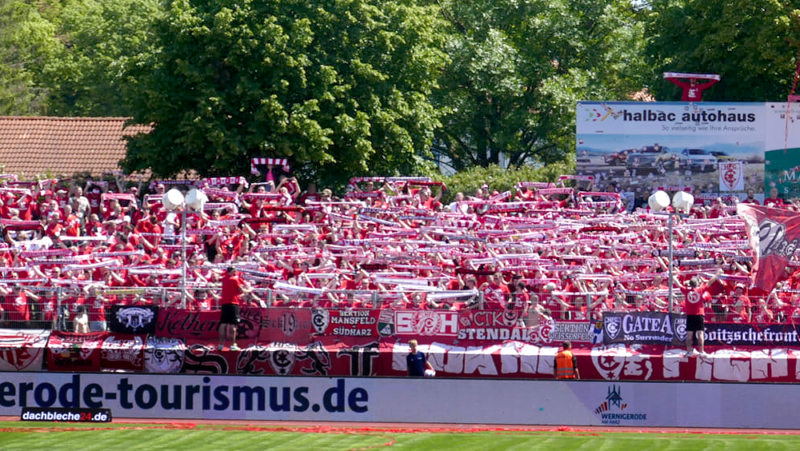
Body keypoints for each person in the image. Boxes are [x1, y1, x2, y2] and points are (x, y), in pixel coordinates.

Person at [218, 266, 251, 351]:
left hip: (224, 303)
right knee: (233, 324)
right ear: (231, 271)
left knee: (223, 323)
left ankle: (220, 345)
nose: (236, 272)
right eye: (235, 271)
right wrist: (250, 289)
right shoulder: (234, 279)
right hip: (233, 303)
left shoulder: (224, 279)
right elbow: (241, 290)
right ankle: (233, 345)